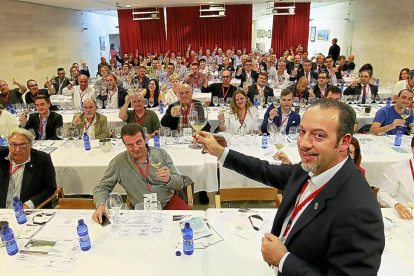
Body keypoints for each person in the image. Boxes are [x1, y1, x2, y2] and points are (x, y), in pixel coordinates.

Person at [194, 98, 384, 275]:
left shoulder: (359, 209)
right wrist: (220, 152)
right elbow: (265, 171)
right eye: (302, 132)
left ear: (344, 142)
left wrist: (283, 260)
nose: (304, 144)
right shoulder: (310, 167)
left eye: (319, 135)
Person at [91, 124, 190, 223]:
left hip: (168, 204)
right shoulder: (118, 163)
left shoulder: (160, 154)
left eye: (139, 142)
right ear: (125, 145)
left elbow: (179, 185)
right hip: (140, 211)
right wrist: (101, 205)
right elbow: (101, 188)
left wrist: (169, 179)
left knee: (191, 228)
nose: (136, 148)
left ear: (145, 139)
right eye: (130, 145)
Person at [0, 128, 57, 209]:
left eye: (23, 145)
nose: (18, 149)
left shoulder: (42, 159)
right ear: (8, 145)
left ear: (30, 145)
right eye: (14, 144)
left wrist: (29, 205)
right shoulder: (1, 156)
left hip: (27, 212)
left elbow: (50, 188)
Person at [377, 136, 414, 220]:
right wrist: (397, 205)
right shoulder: (396, 169)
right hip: (405, 216)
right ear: (412, 148)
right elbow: (382, 195)